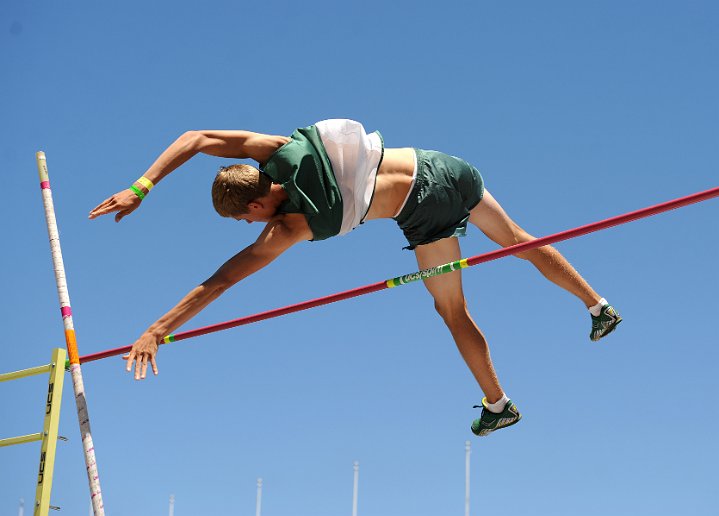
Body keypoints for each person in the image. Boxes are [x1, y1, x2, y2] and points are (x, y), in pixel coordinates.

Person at [89, 119, 621, 436]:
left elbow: (221, 280)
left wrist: (158, 328)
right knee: (519, 241)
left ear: (254, 203)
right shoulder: (279, 151)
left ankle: (498, 406)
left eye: (244, 219)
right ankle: (597, 305)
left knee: (451, 310)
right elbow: (197, 136)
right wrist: (142, 186)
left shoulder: (288, 227)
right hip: (442, 166)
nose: (249, 227)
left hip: (422, 206)